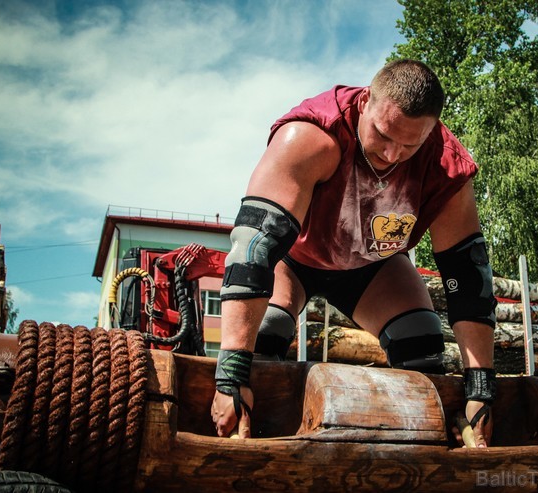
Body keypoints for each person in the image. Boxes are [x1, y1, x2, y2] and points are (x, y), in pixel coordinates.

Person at [210, 59, 497, 447]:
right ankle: (257, 435)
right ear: (364, 103)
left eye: (409, 145)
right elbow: (254, 249)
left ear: (430, 133)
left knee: (421, 344)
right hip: (294, 257)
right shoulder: (311, 136)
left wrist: (481, 389)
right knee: (264, 335)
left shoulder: (447, 169)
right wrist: (230, 376)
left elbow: (468, 282)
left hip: (373, 265)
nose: (392, 154)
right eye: (383, 134)